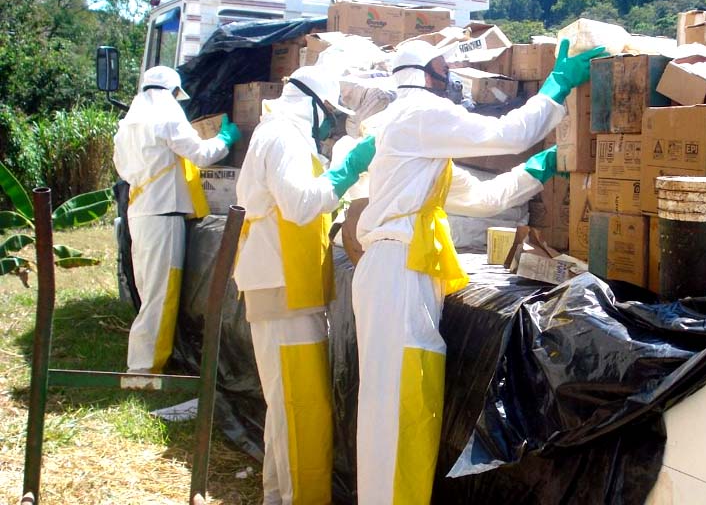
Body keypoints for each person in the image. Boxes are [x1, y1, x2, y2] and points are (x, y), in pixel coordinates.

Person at [352, 38, 604, 505]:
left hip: (404, 273)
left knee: (409, 406)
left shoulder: (422, 152)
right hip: (396, 274)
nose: (452, 79)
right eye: (445, 69)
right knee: (397, 411)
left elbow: (485, 198)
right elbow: (507, 135)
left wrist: (542, 167)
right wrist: (557, 86)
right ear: (425, 73)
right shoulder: (418, 112)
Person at [234, 64, 376, 505]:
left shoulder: (280, 135)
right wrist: (347, 170)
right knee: (302, 411)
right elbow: (298, 205)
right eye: (329, 114)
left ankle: (278, 497)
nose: (330, 124)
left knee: (288, 410)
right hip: (282, 288)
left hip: (287, 286)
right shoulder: (283, 137)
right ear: (315, 105)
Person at [113, 65, 241, 374]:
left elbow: (122, 168)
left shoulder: (128, 124)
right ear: (171, 92)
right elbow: (200, 154)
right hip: (163, 215)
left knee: (148, 289)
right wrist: (226, 138)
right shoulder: (167, 117)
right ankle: (145, 369)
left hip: (141, 210)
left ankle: (145, 359)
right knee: (161, 292)